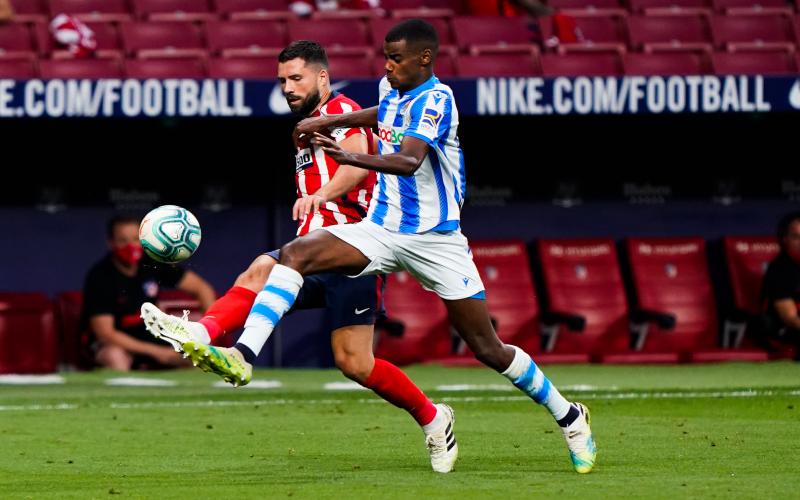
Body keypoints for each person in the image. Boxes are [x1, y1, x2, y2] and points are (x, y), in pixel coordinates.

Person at [174, 19, 596, 474]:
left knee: (487, 348)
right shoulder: (391, 88)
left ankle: (569, 416)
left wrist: (350, 155)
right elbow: (384, 113)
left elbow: (409, 159)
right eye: (386, 58)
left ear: (424, 58)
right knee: (293, 254)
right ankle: (241, 355)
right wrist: (331, 120)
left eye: (396, 59)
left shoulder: (438, 100)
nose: (388, 66)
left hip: (436, 241)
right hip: (381, 230)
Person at [141, 41, 453, 472]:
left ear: (322, 77)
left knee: (355, 363)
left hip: (354, 250)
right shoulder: (304, 128)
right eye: (282, 81)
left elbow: (359, 163)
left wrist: (322, 194)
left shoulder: (342, 111)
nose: (287, 87)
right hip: (308, 253)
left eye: (296, 78)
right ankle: (204, 334)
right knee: (260, 271)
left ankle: (434, 419)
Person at [81, 215, 215, 370]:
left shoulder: (152, 261)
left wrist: (207, 334)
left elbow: (203, 289)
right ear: (111, 243)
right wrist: (158, 352)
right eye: (123, 241)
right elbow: (106, 334)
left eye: (135, 239)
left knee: (198, 356)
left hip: (151, 335)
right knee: (115, 356)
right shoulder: (100, 276)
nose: (130, 246)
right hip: (116, 344)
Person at [761, 211, 800, 359]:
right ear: (784, 239)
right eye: (796, 237)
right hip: (784, 330)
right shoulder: (779, 270)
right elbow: (791, 319)